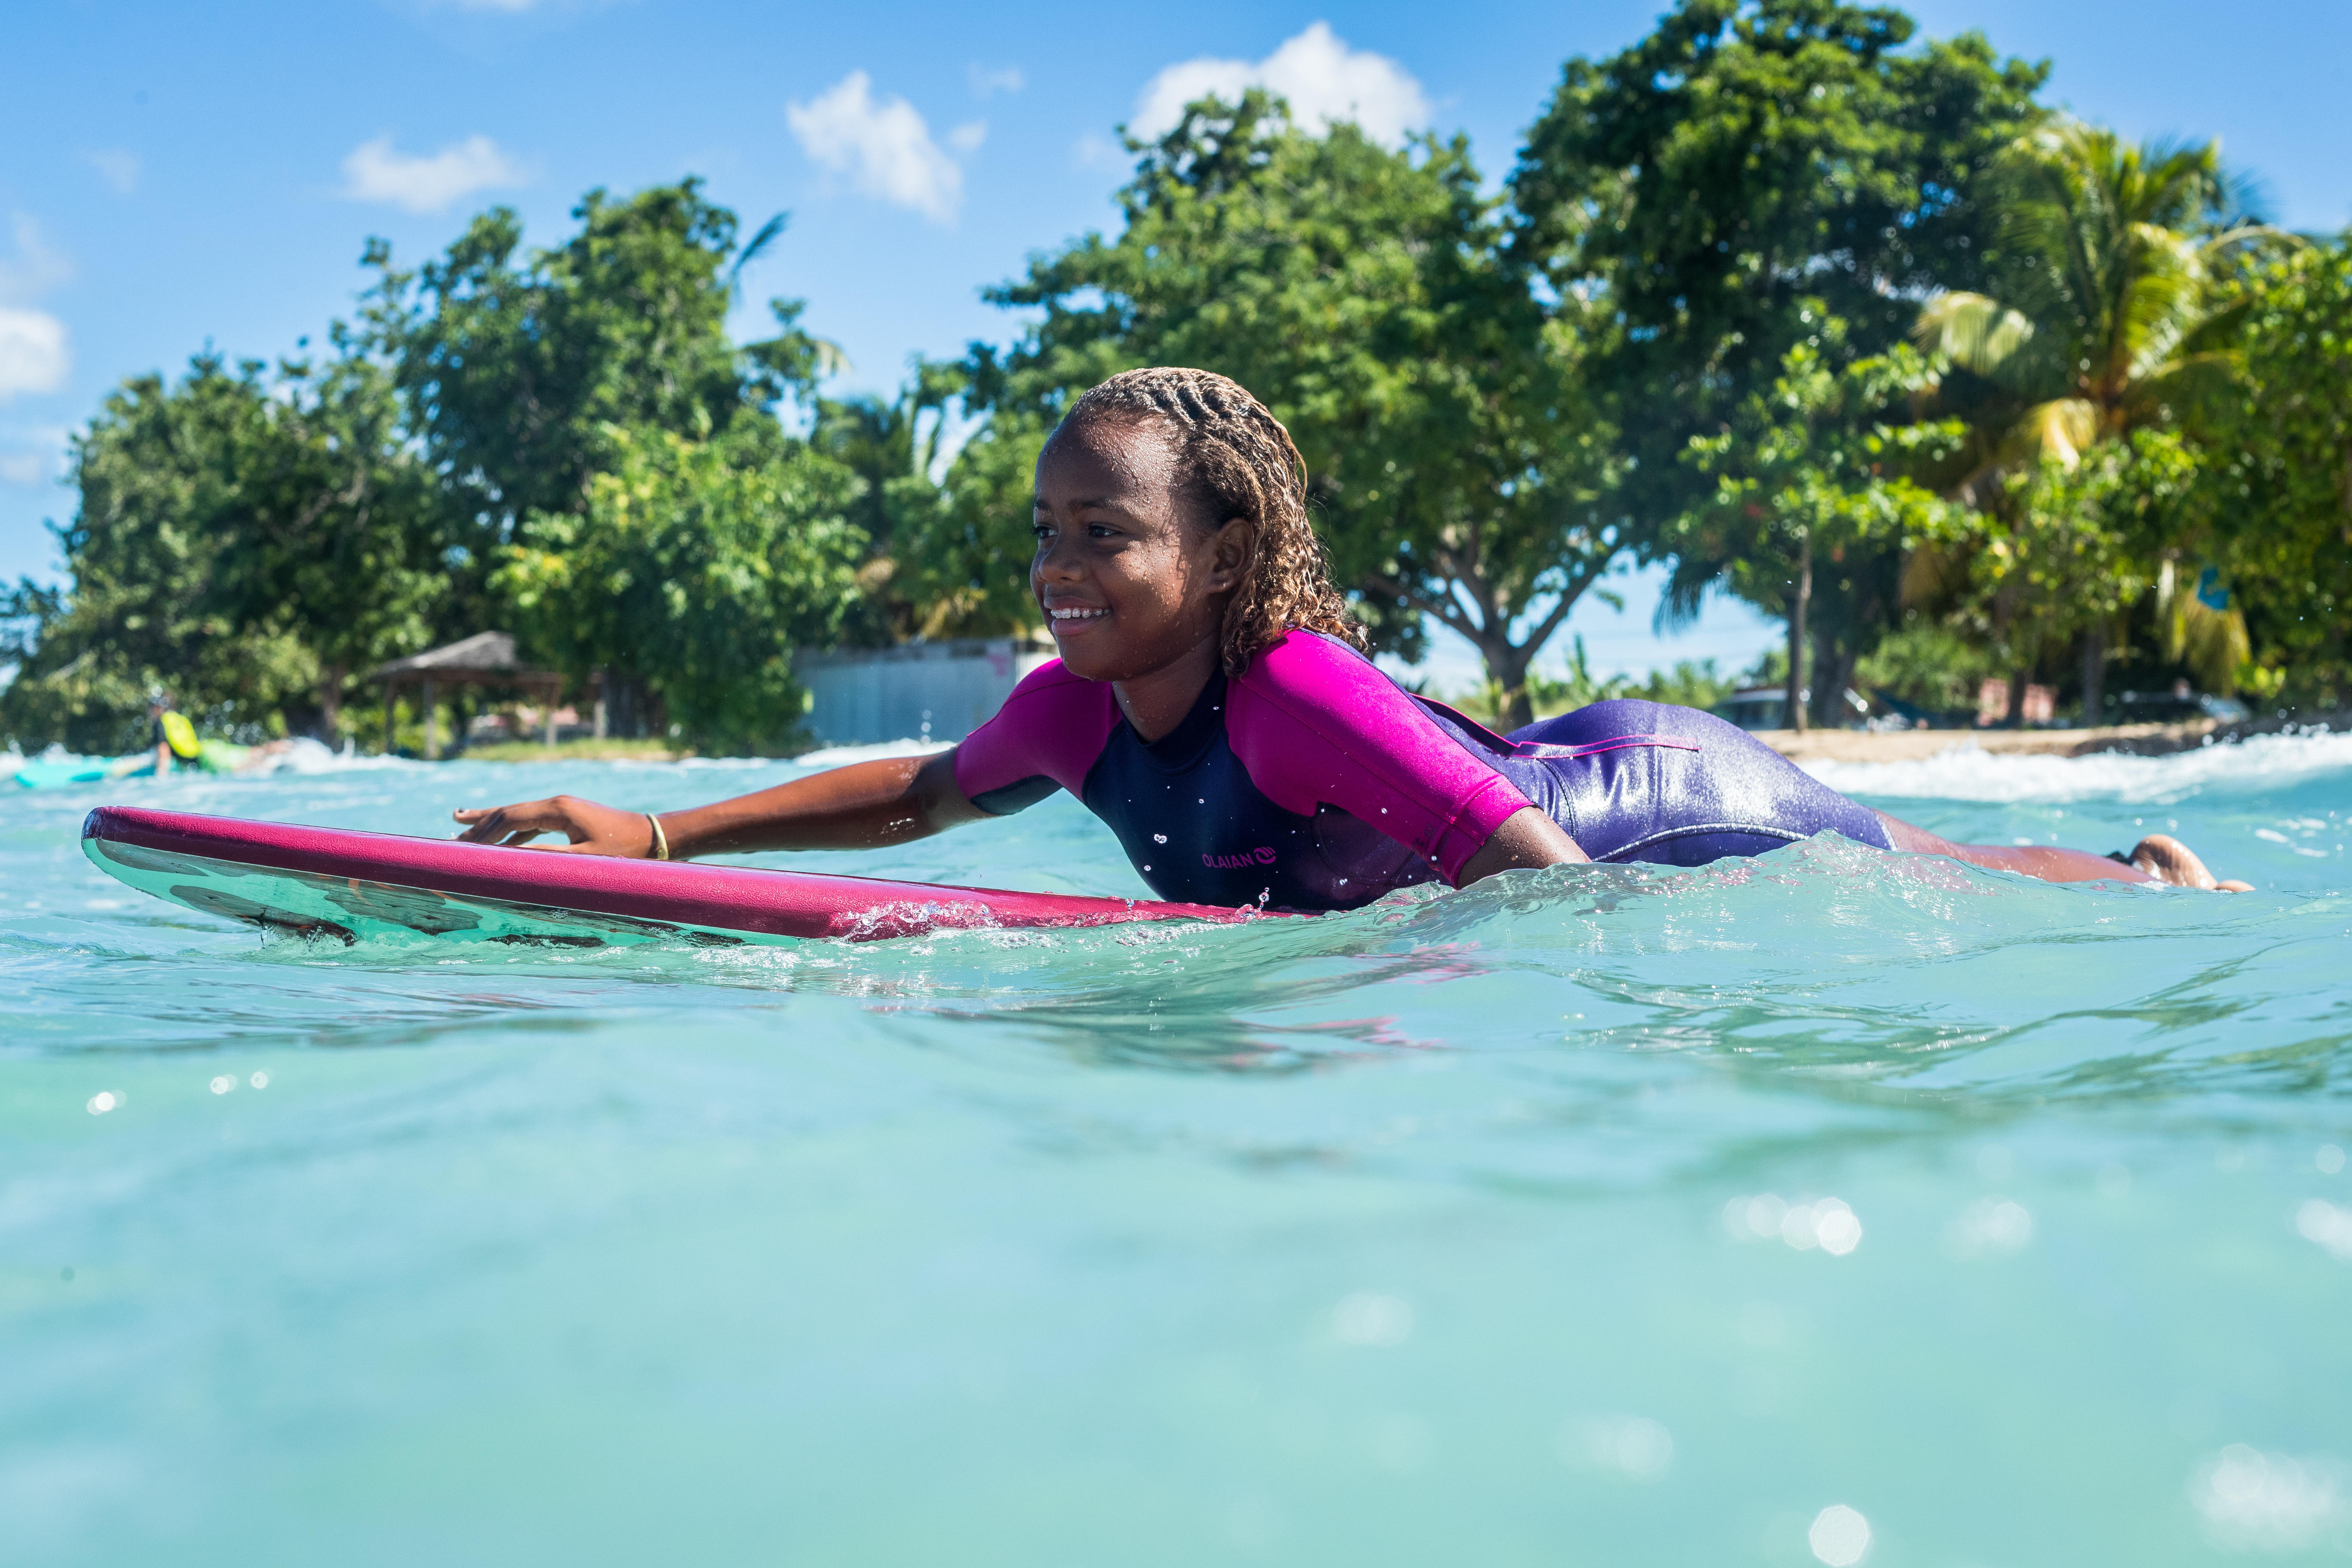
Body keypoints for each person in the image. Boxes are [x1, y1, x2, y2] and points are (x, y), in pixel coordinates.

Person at [454, 368, 2251, 902]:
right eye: (1044, 534)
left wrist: (1388, 991)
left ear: (1226, 550)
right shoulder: (1069, 712)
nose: (1062, 569)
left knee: (1910, 858)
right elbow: (923, 797)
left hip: (1652, 795)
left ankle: (2142, 877)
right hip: (1546, 784)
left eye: (1109, 535)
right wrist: (663, 832)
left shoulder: (1296, 692)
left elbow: (1552, 876)